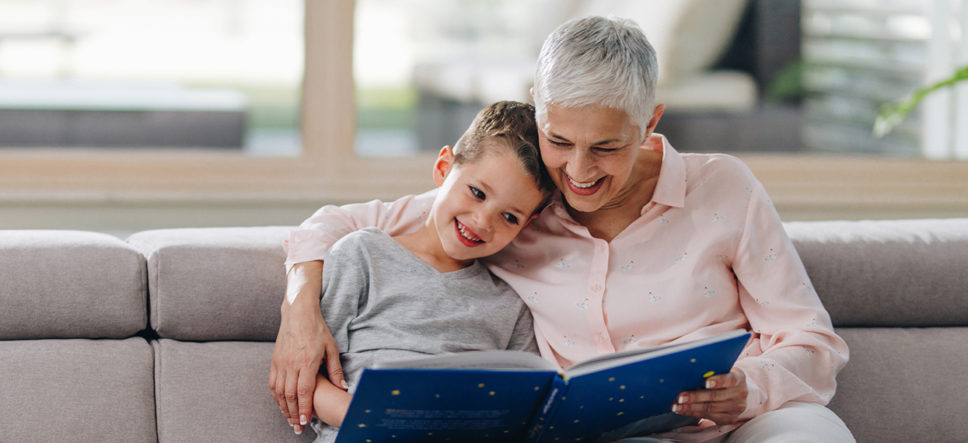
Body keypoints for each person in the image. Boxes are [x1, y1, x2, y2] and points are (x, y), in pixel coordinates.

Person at [270, 16, 855, 442]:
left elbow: (813, 342)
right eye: (559, 140)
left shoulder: (724, 187)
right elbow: (339, 223)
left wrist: (748, 388)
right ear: (538, 108)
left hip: (750, 420)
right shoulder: (516, 203)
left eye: (606, 147)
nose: (578, 172)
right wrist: (300, 309)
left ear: (649, 121)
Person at [288, 101, 553, 441]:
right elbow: (309, 380)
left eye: (509, 217)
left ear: (527, 225)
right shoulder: (363, 255)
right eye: (477, 193)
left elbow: (522, 407)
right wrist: (385, 419)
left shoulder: (509, 306)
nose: (483, 221)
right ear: (444, 167)